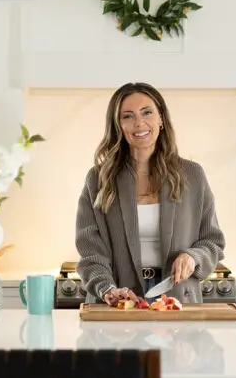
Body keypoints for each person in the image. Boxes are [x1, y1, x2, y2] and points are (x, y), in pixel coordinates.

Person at [75, 82, 226, 305]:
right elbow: (91, 253)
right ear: (118, 126)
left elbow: (213, 242)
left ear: (161, 119)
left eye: (147, 112)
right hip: (119, 304)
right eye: (127, 116)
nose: (139, 123)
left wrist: (193, 257)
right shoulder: (98, 180)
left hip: (177, 301)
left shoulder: (192, 175)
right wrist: (108, 289)